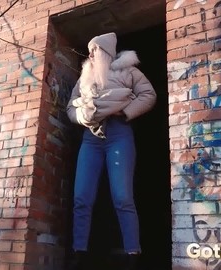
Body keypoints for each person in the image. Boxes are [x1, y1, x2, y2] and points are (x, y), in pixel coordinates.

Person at [66, 32, 156, 270]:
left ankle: (132, 252)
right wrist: (82, 117)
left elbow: (149, 95)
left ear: (106, 50)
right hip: (91, 138)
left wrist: (124, 112)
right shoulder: (85, 77)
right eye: (89, 50)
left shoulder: (128, 71)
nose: (90, 54)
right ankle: (79, 252)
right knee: (81, 197)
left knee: (122, 197)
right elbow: (70, 106)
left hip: (119, 135)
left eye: (94, 49)